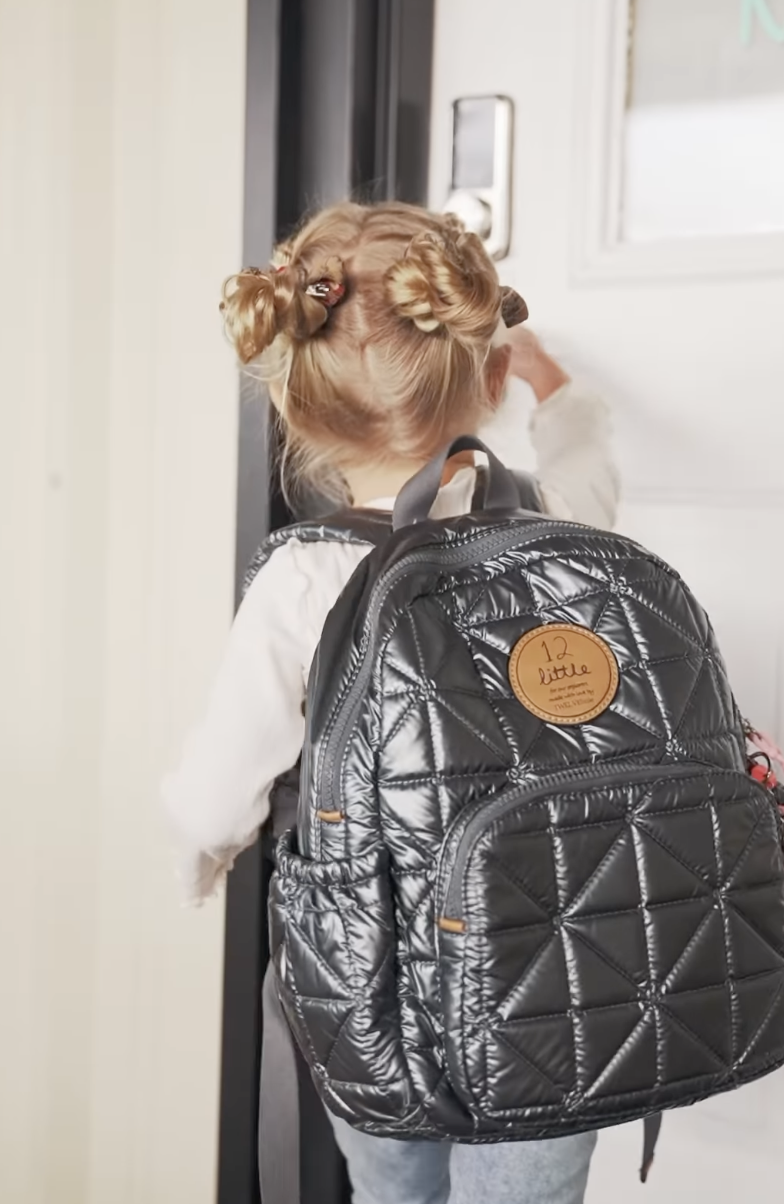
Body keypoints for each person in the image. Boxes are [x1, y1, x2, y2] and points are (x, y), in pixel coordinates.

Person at [162, 201, 620, 1204]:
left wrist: (203, 864)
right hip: (557, 982)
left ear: (288, 404)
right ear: (490, 377)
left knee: (389, 1190)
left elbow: (214, 797)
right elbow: (589, 466)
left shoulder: (305, 583)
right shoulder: (560, 530)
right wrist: (554, 385)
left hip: (379, 992)